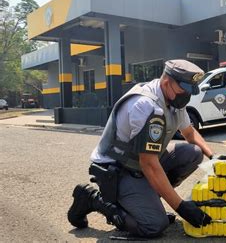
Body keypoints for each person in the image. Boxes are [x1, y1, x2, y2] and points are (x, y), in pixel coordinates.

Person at [67, 59, 214, 238]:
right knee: (153, 225)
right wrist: (181, 207)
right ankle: (93, 199)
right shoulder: (146, 106)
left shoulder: (173, 98)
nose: (187, 95)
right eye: (184, 89)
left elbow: (190, 134)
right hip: (117, 168)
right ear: (167, 82)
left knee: (193, 153)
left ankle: (146, 199)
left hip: (141, 163)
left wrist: (214, 158)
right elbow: (149, 164)